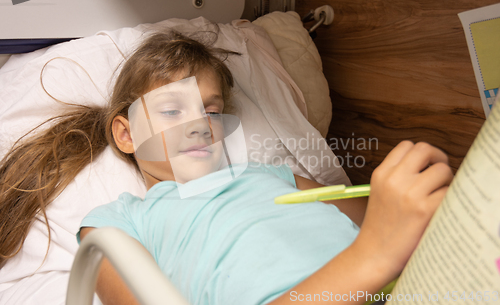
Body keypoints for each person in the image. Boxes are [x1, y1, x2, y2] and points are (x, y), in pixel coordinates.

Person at [1, 30, 453, 304]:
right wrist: (371, 257)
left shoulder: (270, 175)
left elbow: (386, 220)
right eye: (172, 111)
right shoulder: (117, 223)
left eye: (211, 112)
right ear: (126, 134)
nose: (198, 126)